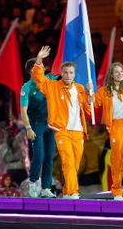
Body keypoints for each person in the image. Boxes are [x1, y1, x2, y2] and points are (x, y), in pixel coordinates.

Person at [33, 46, 91, 199]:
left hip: (78, 131)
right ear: (61, 73)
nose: (68, 75)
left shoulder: (79, 88)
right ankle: (73, 192)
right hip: (62, 130)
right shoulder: (53, 87)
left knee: (75, 165)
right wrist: (39, 60)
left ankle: (67, 191)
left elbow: (87, 108)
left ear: (74, 74)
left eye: (71, 72)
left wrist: (90, 96)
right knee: (68, 161)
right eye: (65, 72)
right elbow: (39, 79)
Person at [92, 37, 123, 201]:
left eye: (121, 71)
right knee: (117, 160)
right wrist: (90, 97)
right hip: (116, 127)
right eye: (117, 72)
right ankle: (117, 191)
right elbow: (95, 103)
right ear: (111, 75)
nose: (120, 74)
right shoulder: (104, 91)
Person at [21, 58, 59, 198]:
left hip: (50, 123)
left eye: (42, 67)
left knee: (49, 156)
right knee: (39, 155)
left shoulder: (49, 78)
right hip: (36, 124)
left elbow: (62, 69)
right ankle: (33, 182)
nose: (41, 70)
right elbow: (24, 111)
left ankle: (45, 188)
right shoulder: (27, 88)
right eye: (37, 69)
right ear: (31, 72)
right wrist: (28, 128)